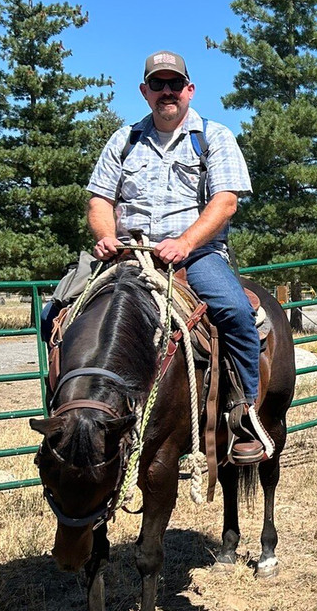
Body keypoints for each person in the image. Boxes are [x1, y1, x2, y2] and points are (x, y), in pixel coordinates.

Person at [83, 49, 274, 464]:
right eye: (158, 84)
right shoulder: (124, 140)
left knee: (237, 313)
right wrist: (104, 236)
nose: (166, 92)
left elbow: (224, 203)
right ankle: (69, 415)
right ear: (144, 91)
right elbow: (99, 201)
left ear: (189, 89)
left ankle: (243, 415)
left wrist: (186, 243)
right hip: (129, 252)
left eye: (174, 84)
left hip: (195, 256)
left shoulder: (214, 136)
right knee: (57, 313)